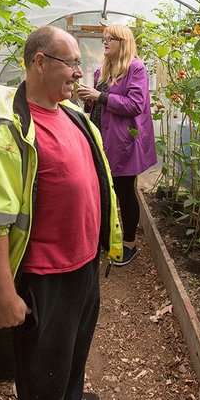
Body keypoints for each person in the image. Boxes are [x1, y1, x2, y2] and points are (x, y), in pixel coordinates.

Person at [0, 25, 123, 400]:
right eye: (72, 64)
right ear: (39, 62)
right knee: (42, 376)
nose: (80, 73)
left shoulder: (71, 115)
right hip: (46, 280)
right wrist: (5, 296)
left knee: (73, 357)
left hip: (83, 268)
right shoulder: (8, 134)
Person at [77, 25, 157, 266]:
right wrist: (88, 100)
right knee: (102, 189)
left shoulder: (135, 68)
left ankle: (130, 243)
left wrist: (99, 96)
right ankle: (107, 237)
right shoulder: (102, 70)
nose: (105, 42)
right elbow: (97, 105)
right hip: (101, 137)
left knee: (124, 191)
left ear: (124, 42)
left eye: (110, 38)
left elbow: (134, 104)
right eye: (104, 39)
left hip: (123, 142)